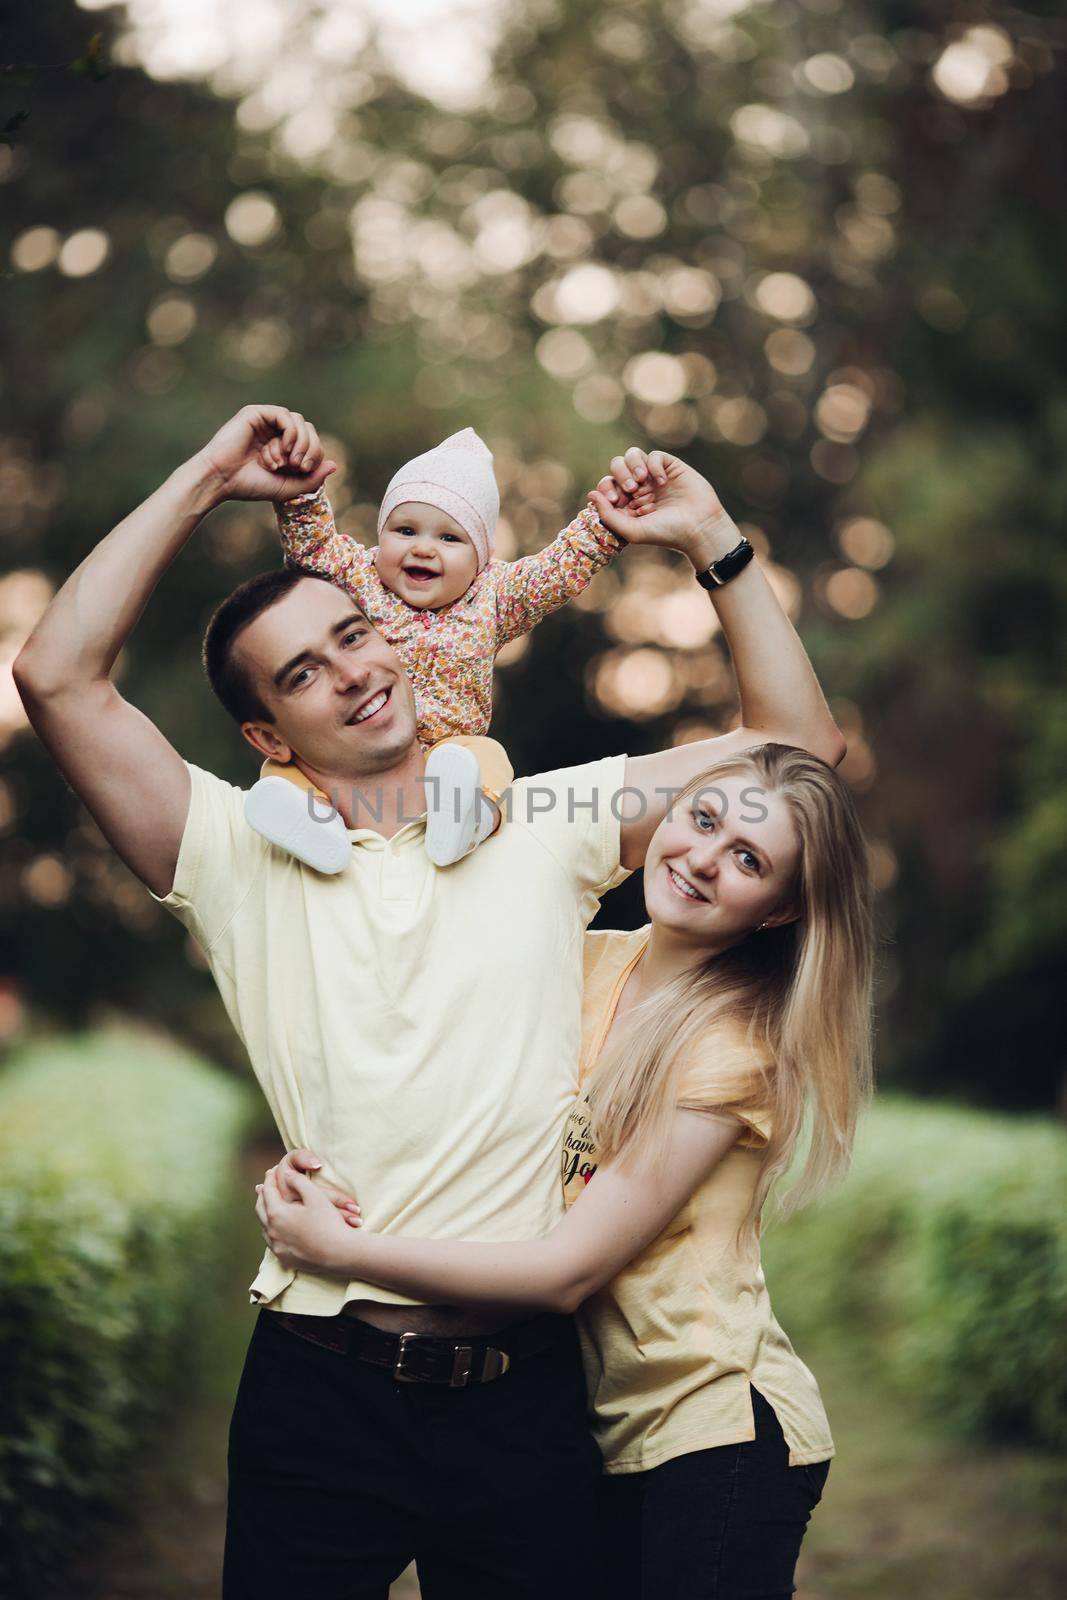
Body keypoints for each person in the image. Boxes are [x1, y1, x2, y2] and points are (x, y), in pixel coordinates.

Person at [13, 403, 844, 1599]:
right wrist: (207, 476)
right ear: (266, 732)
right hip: (317, 1392)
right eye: (304, 671)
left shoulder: (546, 821)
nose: (353, 669)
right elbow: (55, 673)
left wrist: (710, 537)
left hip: (526, 1399)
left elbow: (795, 753)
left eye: (355, 634)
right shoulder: (229, 852)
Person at [256, 742, 873, 1599]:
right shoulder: (585, 959)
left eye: (747, 859)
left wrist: (343, 1249)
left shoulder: (730, 1048)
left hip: (712, 1431)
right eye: (701, 819)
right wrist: (331, 1151)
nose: (701, 858)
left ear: (776, 912)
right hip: (592, 1427)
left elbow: (564, 1272)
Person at [245, 422, 626, 870]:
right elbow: (313, 549)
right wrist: (300, 496)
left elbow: (556, 571)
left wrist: (603, 524)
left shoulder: (494, 596)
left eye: (449, 538)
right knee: (283, 771)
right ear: (381, 535)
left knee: (489, 759)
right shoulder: (357, 579)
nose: (424, 549)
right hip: (357, 748)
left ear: (481, 557)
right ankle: (312, 827)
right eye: (406, 531)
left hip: (448, 757)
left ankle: (467, 821)